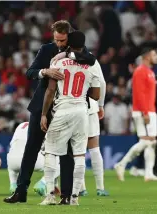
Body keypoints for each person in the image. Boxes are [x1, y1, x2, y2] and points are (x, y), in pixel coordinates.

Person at [4, 20, 96, 204]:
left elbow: (91, 59)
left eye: (62, 40)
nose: (59, 43)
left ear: (69, 36)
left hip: (67, 108)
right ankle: (20, 191)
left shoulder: (79, 51)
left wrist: (64, 54)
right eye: (56, 40)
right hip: (42, 106)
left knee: (67, 153)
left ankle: (66, 195)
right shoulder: (46, 49)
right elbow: (30, 72)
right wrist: (45, 72)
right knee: (31, 149)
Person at [40, 31, 100, 205]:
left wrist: (44, 114)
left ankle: (50, 195)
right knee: (79, 154)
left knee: (50, 152)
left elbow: (50, 90)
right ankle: (74, 198)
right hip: (82, 111)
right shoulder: (92, 64)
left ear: (68, 44)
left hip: (62, 109)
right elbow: (96, 95)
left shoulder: (58, 61)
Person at [51, 52, 108, 196]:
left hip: (69, 107)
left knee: (75, 149)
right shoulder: (90, 58)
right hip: (90, 106)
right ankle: (100, 188)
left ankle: (81, 188)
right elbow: (101, 82)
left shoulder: (61, 59)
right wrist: (100, 105)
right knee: (94, 148)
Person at [114, 48, 157, 181]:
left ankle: (149, 173)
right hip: (142, 111)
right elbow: (139, 94)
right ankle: (121, 164)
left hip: (150, 110)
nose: (156, 57)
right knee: (147, 141)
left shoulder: (150, 72)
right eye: (154, 54)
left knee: (152, 142)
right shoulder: (140, 71)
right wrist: (145, 112)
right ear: (146, 57)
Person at [7, 122, 60, 196]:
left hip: (12, 163)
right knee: (58, 162)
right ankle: (42, 183)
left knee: (11, 155)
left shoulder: (21, 125)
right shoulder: (45, 125)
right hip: (32, 160)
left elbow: (12, 144)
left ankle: (13, 185)